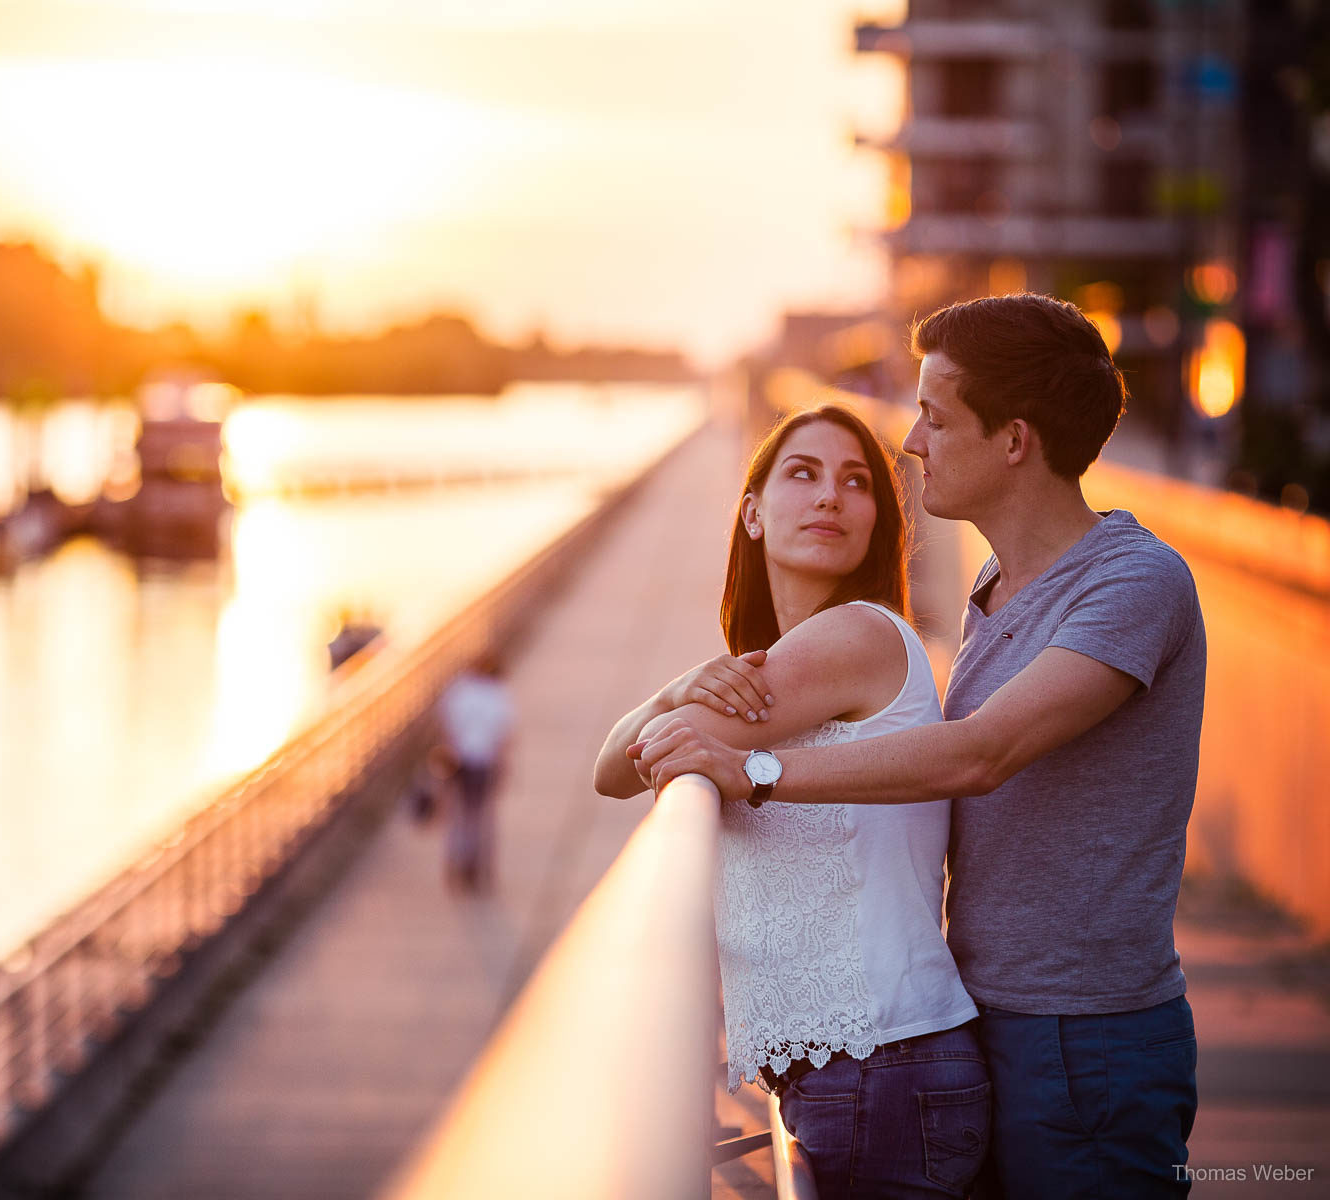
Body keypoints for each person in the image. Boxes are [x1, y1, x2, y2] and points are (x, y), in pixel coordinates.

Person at [634, 293, 1207, 1198]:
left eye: (936, 419)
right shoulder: (995, 588)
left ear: (1014, 440)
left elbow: (981, 753)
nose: (912, 443)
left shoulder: (1136, 582)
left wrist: (753, 774)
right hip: (987, 1015)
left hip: (1088, 1037)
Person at [596, 404, 989, 1199]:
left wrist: (676, 703)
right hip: (863, 1073)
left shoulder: (856, 637)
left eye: (855, 482)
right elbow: (614, 765)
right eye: (802, 474)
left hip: (881, 1067)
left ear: (879, 521)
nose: (830, 497)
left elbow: (633, 756)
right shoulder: (779, 663)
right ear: (751, 513)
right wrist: (678, 685)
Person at [436, 653, 515, 892]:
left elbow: (445, 729)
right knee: (482, 817)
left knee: (457, 815)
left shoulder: (459, 691)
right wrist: (504, 767)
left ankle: (455, 863)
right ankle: (478, 869)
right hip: (485, 763)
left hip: (459, 762)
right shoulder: (498, 695)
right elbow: (504, 737)